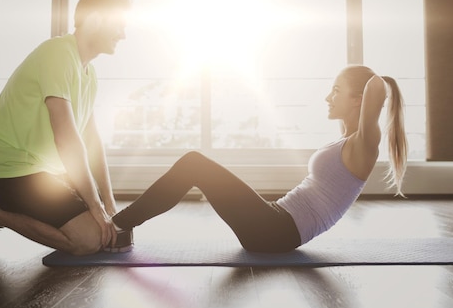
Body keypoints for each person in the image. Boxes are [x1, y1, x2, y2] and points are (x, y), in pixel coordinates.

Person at [111, 65, 407, 253]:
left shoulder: (366, 144)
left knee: (194, 163)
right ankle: (121, 226)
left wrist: (374, 78)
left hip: (277, 231)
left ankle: (117, 227)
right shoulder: (347, 141)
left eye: (336, 91)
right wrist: (355, 86)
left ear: (359, 99)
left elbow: (377, 86)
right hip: (275, 222)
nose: (328, 98)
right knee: (195, 164)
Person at [0, 0, 134, 256]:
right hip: (11, 169)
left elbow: (92, 143)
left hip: (44, 174)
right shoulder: (58, 53)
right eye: (119, 24)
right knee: (89, 240)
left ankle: (0, 207)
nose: (123, 34)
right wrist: (95, 206)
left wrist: (109, 204)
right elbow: (67, 138)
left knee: (100, 225)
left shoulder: (88, 75)